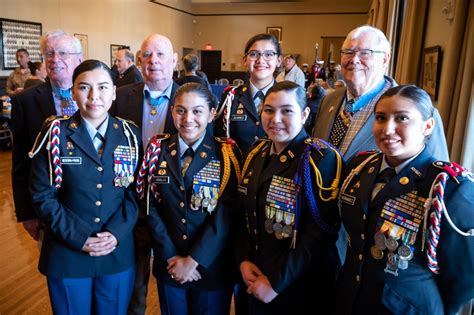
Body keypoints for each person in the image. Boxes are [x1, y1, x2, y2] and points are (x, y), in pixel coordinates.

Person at [336, 85, 474, 314]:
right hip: (350, 300)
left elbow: (465, 276)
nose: (387, 129)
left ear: (427, 126)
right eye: (381, 118)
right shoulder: (359, 168)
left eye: (402, 118)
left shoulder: (449, 188)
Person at [28, 59, 141, 314]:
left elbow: (135, 192)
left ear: (114, 91)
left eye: (102, 87)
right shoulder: (54, 134)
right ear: (72, 91)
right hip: (68, 252)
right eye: (84, 87)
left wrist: (115, 233)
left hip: (116, 250)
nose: (94, 96)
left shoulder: (130, 135)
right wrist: (80, 238)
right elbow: (42, 195)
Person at [236, 81, 342, 314]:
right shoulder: (256, 153)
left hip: (297, 285)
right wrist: (243, 260)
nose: (275, 119)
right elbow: (244, 215)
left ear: (305, 114)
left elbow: (319, 235)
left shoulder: (319, 159)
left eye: (287, 110)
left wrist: (276, 281)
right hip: (254, 274)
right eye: (269, 110)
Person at [136, 82, 241, 314]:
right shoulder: (158, 151)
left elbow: (226, 215)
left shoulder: (225, 155)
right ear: (172, 111)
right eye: (181, 110)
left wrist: (194, 260)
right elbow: (150, 206)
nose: (188, 118)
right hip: (169, 264)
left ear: (212, 114)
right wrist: (172, 256)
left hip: (210, 266)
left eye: (197, 111)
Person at [110, 33, 179, 315]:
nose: (154, 61)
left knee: (172, 285)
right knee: (134, 287)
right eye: (147, 55)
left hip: (173, 207)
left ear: (174, 60)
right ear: (139, 60)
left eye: (161, 54)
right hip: (130, 205)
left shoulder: (190, 97)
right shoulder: (122, 96)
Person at [312, 25, 448, 161]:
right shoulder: (328, 100)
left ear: (384, 59)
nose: (354, 60)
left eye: (365, 53)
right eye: (348, 52)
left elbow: (436, 175)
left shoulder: (420, 113)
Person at [11, 30, 82, 241]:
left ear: (79, 58)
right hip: (47, 209)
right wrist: (26, 214)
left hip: (91, 206)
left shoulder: (96, 96)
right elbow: (21, 163)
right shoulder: (25, 101)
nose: (54, 59)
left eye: (62, 53)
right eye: (49, 53)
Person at [215, 33, 282, 155]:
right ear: (245, 60)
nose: (260, 60)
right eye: (253, 54)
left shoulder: (288, 99)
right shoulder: (231, 97)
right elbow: (218, 138)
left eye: (268, 54)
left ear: (278, 60)